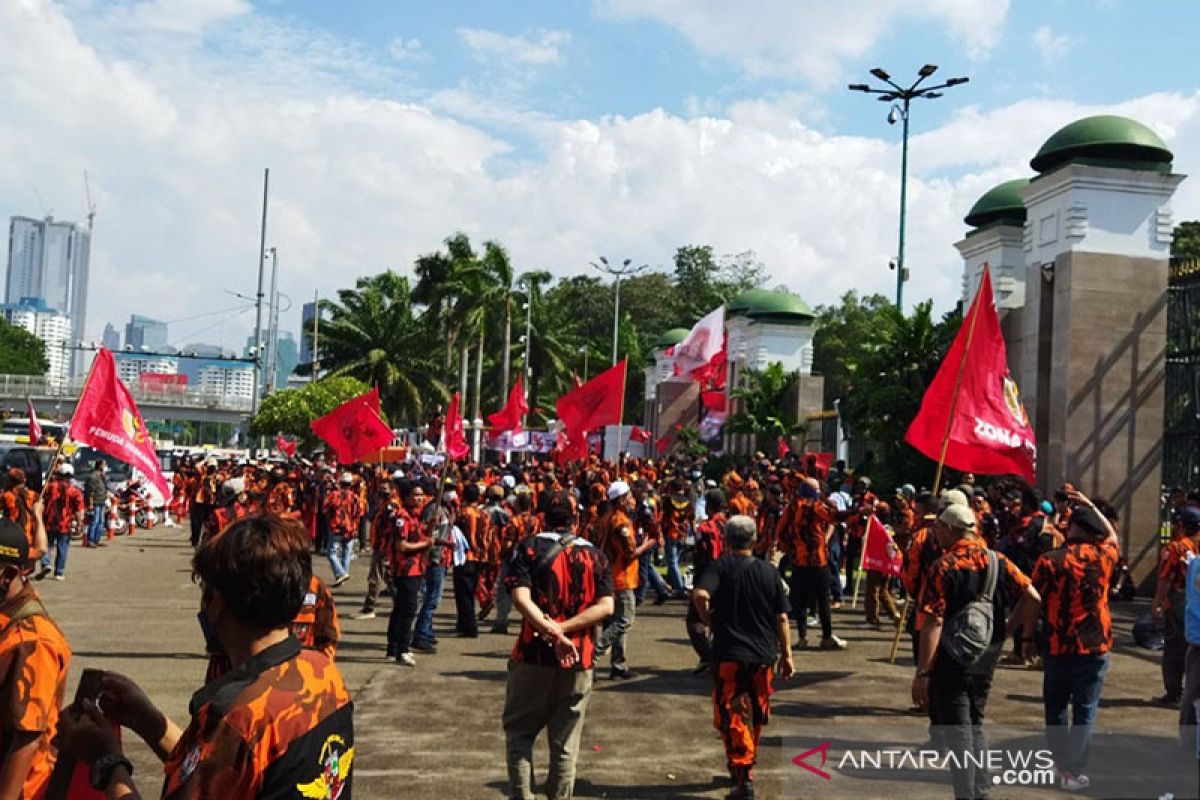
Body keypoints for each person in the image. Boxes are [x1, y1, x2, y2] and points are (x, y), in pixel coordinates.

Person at [56, 514, 356, 798]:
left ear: (217, 601)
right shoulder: (324, 674)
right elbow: (218, 770)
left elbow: (229, 753)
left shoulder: (241, 716)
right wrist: (148, 720)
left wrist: (107, 763)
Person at [912, 504, 1041, 800]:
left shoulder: (944, 566)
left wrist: (924, 671)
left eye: (939, 528)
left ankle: (967, 795)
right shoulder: (998, 561)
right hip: (986, 655)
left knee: (959, 731)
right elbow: (1033, 596)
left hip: (952, 657)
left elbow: (933, 620)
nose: (935, 534)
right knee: (975, 723)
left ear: (951, 530)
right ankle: (981, 791)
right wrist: (1007, 630)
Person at [502, 489, 614, 800]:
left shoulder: (529, 549)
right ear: (577, 519)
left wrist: (552, 630)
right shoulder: (596, 555)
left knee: (520, 733)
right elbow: (606, 607)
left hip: (533, 654)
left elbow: (521, 599)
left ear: (542, 517)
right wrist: (565, 631)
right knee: (566, 743)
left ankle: (523, 796)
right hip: (580, 656)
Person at [692, 515, 795, 800]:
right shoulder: (768, 572)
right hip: (763, 654)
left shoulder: (719, 567)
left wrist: (709, 619)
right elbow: (782, 618)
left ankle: (743, 773)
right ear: (754, 539)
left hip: (730, 654)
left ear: (726, 539)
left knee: (731, 714)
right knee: (756, 714)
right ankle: (743, 764)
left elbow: (700, 594)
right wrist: (787, 655)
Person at [1030, 495, 1118, 792]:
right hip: (1095, 647)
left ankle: (1058, 763)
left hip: (1058, 645)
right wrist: (1089, 506)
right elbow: (1112, 535)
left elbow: (1033, 601)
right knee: (1084, 711)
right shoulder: (1105, 556)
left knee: (1055, 709)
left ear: (1075, 528)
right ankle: (1074, 771)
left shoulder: (1049, 561)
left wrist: (1027, 636)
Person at [0, 514, 71, 800]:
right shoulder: (8, 617)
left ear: (7, 575)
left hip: (23, 788)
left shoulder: (36, 640)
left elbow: (27, 736)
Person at [777, 477, 846, 650]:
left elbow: (781, 531)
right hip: (817, 561)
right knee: (823, 599)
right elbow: (835, 516)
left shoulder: (792, 508)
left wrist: (791, 549)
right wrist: (860, 511)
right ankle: (827, 636)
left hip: (799, 561)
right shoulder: (814, 507)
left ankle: (802, 637)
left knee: (799, 600)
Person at [596, 481, 654, 679]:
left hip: (611, 576)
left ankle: (618, 665)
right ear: (621, 500)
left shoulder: (606, 519)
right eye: (629, 496)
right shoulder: (621, 522)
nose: (632, 500)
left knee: (618, 621)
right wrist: (648, 544)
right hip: (621, 578)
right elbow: (629, 552)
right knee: (624, 621)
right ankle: (594, 651)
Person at [1154, 505, 1200, 707]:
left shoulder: (1176, 548)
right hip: (1196, 601)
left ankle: (1174, 693)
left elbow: (1166, 578)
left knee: (1174, 647)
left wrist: (1156, 603)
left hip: (1178, 601)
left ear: (1180, 525)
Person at [387, 483, 430, 666]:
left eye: (421, 495)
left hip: (416, 568)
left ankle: (394, 646)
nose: (419, 498)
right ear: (406, 497)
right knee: (408, 610)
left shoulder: (417, 516)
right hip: (406, 570)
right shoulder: (402, 518)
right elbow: (402, 546)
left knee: (400, 609)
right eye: (415, 495)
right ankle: (403, 649)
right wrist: (425, 544)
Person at [687, 488, 726, 672]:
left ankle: (709, 656)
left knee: (695, 621)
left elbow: (700, 555)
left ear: (708, 506)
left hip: (708, 578)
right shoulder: (730, 525)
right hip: (727, 576)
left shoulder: (704, 529)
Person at [454, 483, 491, 638]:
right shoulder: (485, 514)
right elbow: (488, 537)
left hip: (466, 556)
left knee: (464, 594)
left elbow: (463, 535)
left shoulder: (463, 514)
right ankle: (464, 623)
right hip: (481, 557)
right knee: (470, 590)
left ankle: (468, 627)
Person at [38, 463, 84, 581]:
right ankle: (59, 572)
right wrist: (79, 523)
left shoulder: (49, 486)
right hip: (65, 523)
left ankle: (45, 563)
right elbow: (78, 510)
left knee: (47, 545)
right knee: (62, 547)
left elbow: (41, 500)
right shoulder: (74, 491)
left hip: (49, 521)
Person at [322, 472, 364, 587]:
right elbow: (360, 513)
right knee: (346, 553)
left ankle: (340, 573)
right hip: (350, 528)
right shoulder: (355, 497)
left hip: (336, 527)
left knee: (331, 553)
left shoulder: (333, 495)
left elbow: (324, 508)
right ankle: (342, 575)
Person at [85, 460, 110, 548]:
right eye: (104, 465)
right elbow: (90, 492)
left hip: (102, 501)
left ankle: (97, 540)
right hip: (95, 502)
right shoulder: (93, 476)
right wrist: (90, 504)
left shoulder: (102, 476)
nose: (106, 466)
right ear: (99, 466)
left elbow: (105, 488)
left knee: (101, 522)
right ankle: (90, 540)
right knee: (94, 522)